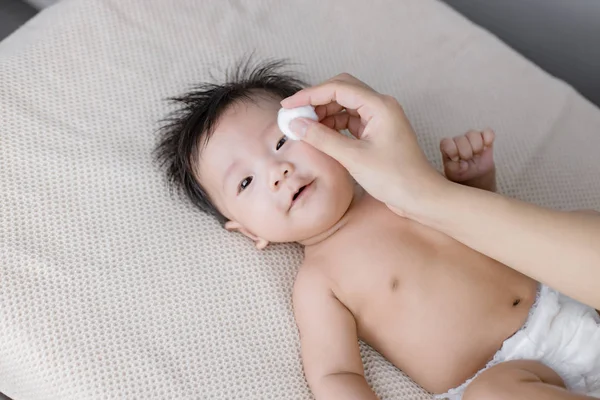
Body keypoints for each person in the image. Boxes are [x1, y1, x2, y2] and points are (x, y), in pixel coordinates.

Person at [154, 59, 600, 400]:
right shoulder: (319, 282)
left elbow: (485, 231)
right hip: (502, 376)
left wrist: (474, 184)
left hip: (567, 301)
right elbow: (335, 374)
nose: (278, 171)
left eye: (281, 141)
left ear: (327, 130)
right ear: (249, 231)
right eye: (246, 181)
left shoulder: (397, 183)